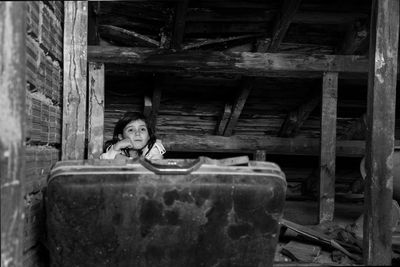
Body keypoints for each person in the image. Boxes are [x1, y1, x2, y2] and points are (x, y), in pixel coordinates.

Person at [100, 112, 166, 160]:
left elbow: (155, 163)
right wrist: (116, 148)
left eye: (142, 129)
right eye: (131, 130)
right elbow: (104, 161)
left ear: (149, 136)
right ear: (121, 137)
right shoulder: (116, 148)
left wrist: (123, 159)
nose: (137, 133)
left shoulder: (153, 147)